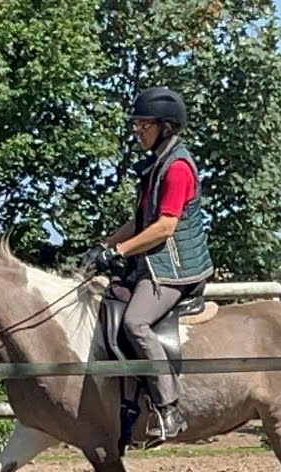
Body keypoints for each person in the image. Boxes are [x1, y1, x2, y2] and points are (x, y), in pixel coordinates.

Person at [80, 86, 214, 441]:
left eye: (144, 123)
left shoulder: (178, 168)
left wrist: (119, 253)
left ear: (166, 126)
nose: (137, 129)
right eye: (136, 123)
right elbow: (140, 221)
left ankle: (169, 409)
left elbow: (164, 227)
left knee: (136, 322)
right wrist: (103, 246)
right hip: (153, 264)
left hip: (176, 269)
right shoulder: (157, 164)